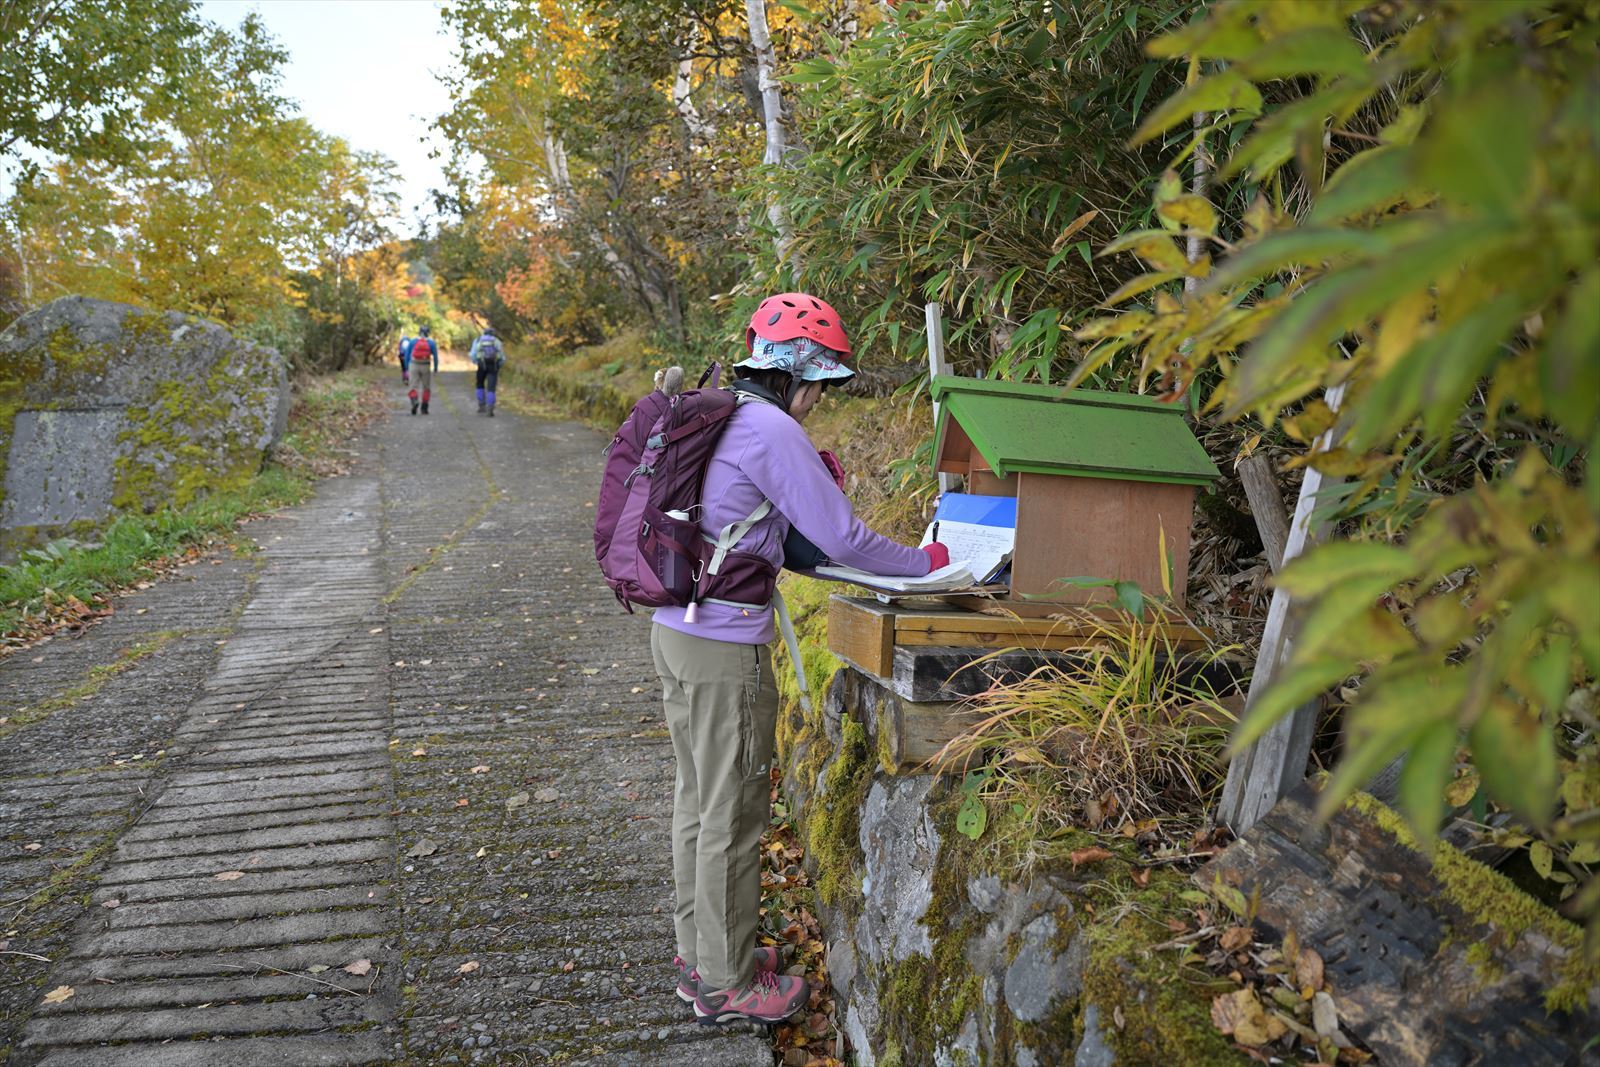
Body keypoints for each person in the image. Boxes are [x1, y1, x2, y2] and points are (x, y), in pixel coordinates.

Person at [650, 292, 950, 1027]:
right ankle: (726, 984)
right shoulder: (771, 428)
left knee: (698, 799)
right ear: (797, 377)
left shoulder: (719, 414)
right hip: (724, 648)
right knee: (734, 811)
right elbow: (843, 540)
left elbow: (785, 541)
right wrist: (927, 561)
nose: (817, 402)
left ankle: (703, 957)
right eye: (818, 386)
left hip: (676, 630)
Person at [470, 327, 504, 416]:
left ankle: (481, 405)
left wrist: (477, 362)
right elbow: (501, 356)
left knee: (480, 384)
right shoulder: (496, 341)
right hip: (493, 365)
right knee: (491, 387)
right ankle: (490, 408)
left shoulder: (477, 340)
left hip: (481, 365)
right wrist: (499, 365)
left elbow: (473, 354)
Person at [408, 326, 438, 415]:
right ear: (428, 333)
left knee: (413, 386)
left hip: (414, 364)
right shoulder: (431, 343)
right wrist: (435, 368)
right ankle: (424, 408)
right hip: (425, 365)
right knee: (426, 387)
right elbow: (435, 357)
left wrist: (406, 367)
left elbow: (407, 355)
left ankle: (414, 401)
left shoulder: (413, 341)